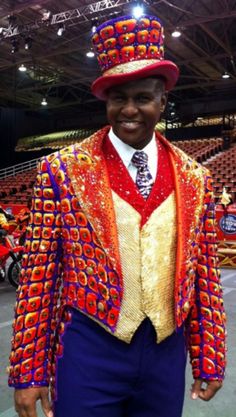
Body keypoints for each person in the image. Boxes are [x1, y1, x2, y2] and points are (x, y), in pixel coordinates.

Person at [9, 14, 226, 417]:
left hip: (165, 351)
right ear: (105, 100)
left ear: (163, 101)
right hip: (90, 349)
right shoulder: (62, 170)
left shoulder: (196, 178)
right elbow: (40, 277)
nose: (129, 110)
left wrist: (209, 355)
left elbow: (205, 275)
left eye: (142, 97)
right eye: (117, 98)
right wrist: (29, 371)